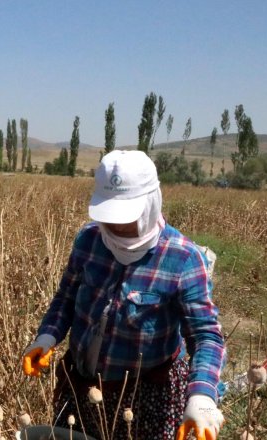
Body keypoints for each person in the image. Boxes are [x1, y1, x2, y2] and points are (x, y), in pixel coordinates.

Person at [22, 150, 225, 440]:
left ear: (152, 203)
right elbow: (66, 298)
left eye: (126, 217)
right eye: (111, 216)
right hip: (80, 389)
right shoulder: (89, 240)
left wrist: (202, 395)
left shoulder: (183, 258)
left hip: (147, 400)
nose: (117, 226)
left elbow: (206, 337)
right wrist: (46, 337)